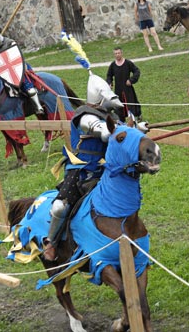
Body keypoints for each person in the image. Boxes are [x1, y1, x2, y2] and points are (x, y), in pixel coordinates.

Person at [42, 71, 128, 261]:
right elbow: (105, 133)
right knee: (59, 207)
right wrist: (124, 130)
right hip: (82, 167)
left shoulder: (109, 115)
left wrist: (138, 129)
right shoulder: (85, 116)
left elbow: (123, 131)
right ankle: (51, 242)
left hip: (106, 166)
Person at [0, 29, 44, 114]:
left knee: (29, 89)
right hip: (7, 72)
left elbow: (17, 55)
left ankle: (38, 106)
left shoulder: (10, 43)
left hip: (19, 67)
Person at [106, 47, 141, 120]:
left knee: (131, 103)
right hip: (118, 89)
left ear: (121, 53)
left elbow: (136, 71)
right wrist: (109, 83)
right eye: (115, 53)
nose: (117, 55)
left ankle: (135, 118)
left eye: (118, 53)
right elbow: (109, 75)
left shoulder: (127, 63)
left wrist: (131, 80)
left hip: (127, 89)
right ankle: (121, 120)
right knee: (119, 106)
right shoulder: (113, 65)